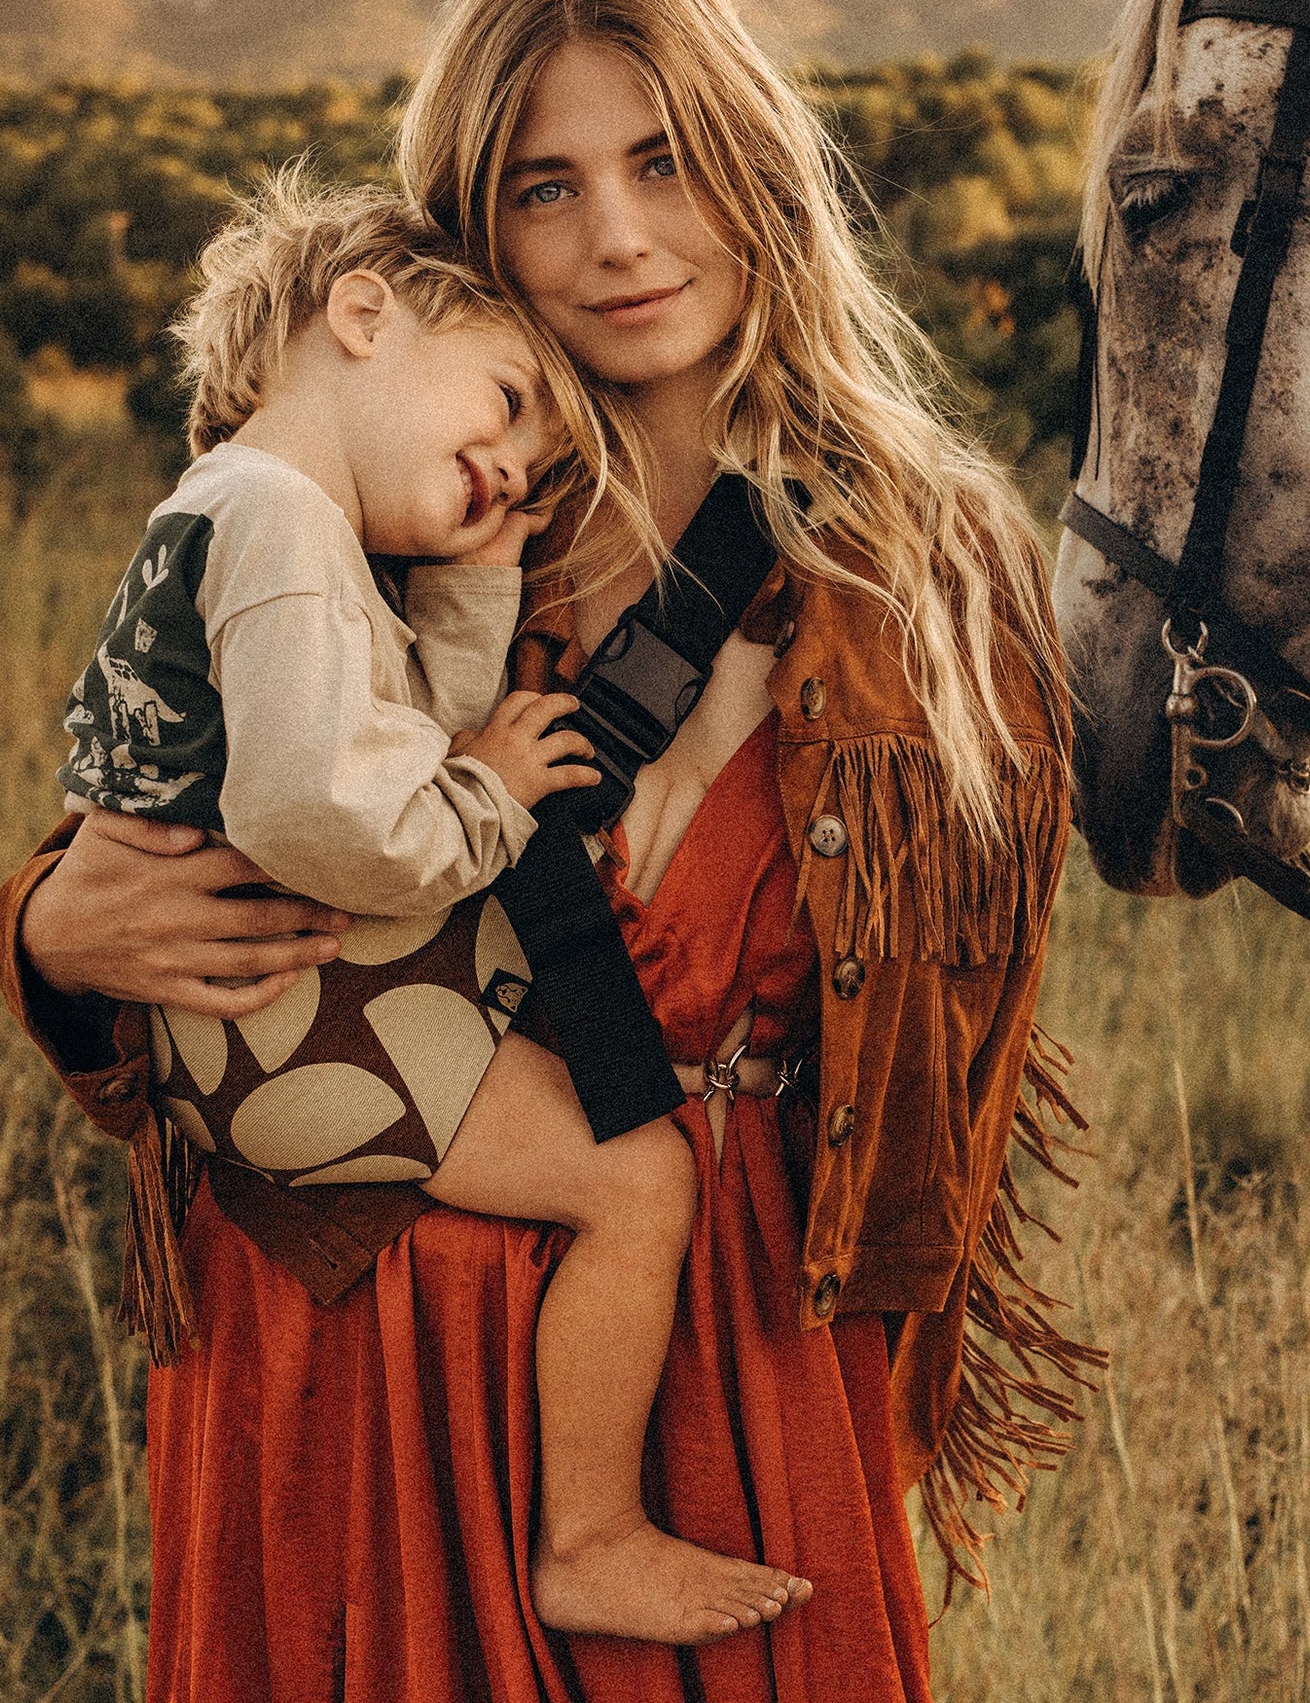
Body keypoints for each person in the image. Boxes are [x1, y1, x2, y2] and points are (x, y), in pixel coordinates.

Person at [0, 0, 1092, 1703]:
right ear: (464, 236)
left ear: (754, 168)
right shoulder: (380, 507)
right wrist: (47, 930)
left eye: (663, 160)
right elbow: (158, 818)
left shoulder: (938, 560)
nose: (621, 239)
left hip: (725, 1323)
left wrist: (864, 1374)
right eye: (543, 187)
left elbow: (968, 1042)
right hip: (348, 1326)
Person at [55, 170, 810, 1646]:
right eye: (513, 399)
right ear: (361, 314)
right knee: (640, 1182)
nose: (520, 463)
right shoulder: (274, 519)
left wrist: (472, 579)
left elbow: (384, 731)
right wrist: (490, 796)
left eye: (539, 463)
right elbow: (318, 813)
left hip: (268, 1028)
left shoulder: (268, 519)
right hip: (299, 1023)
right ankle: (584, 1532)